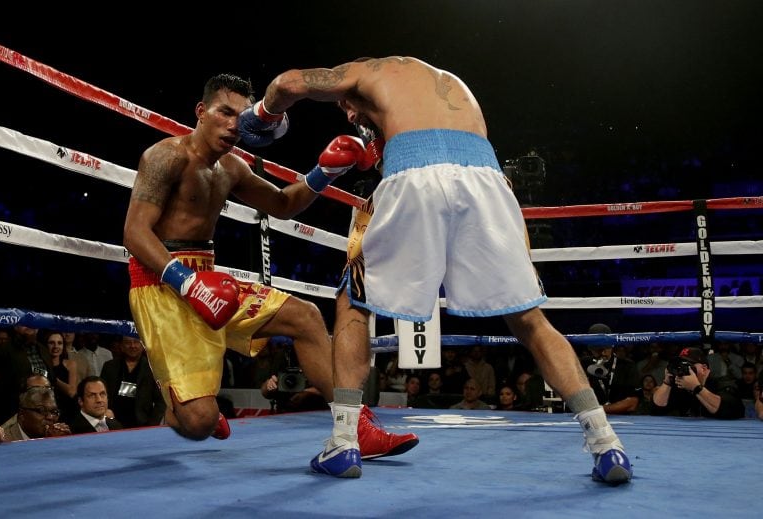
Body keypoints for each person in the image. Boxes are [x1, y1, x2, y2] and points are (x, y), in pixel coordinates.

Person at [240, 56, 631, 484]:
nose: (350, 115)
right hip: (487, 180)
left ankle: (343, 441)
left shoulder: (366, 70)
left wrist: (261, 118)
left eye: (346, 108)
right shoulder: (447, 84)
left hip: (416, 177)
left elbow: (288, 82)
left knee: (353, 302)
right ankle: (607, 445)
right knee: (530, 321)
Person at [123, 73, 415, 479]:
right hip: (161, 283)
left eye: (242, 117)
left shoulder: (231, 168)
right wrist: (185, 282)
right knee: (199, 424)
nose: (233, 125)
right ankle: (181, 407)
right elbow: (134, 232)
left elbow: (281, 204)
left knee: (306, 316)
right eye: (225, 112)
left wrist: (323, 172)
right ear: (201, 112)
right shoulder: (165, 156)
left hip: (208, 277)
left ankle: (355, 427)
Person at [652, 347, 745, 419]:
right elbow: (656, 410)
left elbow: (731, 410)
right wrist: (667, 382)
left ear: (704, 369)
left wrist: (696, 388)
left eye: (688, 365)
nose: (684, 369)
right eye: (681, 364)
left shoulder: (721, 383)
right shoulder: (679, 386)